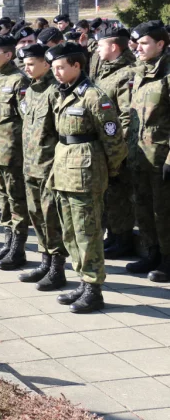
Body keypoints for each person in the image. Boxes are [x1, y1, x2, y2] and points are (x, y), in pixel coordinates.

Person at [46, 42, 126, 312]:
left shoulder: (94, 97)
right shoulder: (63, 94)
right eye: (54, 68)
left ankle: (94, 288)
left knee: (88, 232)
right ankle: (82, 279)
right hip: (64, 170)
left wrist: (110, 171)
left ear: (76, 66)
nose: (56, 72)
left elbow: (114, 139)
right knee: (70, 232)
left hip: (86, 175)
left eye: (60, 67)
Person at [17, 44, 67, 290]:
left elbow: (62, 131)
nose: (26, 68)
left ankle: (58, 267)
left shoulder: (54, 91)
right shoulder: (31, 90)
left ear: (46, 64)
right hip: (31, 163)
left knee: (51, 217)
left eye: (30, 64)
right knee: (36, 215)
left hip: (48, 166)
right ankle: (45, 260)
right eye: (25, 64)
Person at [126, 21, 170, 279]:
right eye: (137, 43)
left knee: (163, 211)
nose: (138, 48)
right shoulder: (142, 71)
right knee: (142, 207)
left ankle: (167, 259)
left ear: (161, 44)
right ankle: (151, 253)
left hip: (161, 157)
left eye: (144, 43)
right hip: (139, 154)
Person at [0, 34, 29, 266]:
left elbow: (26, 120)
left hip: (12, 152)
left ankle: (18, 248)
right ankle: (8, 242)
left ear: (8, 55)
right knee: (2, 199)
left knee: (16, 199)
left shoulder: (20, 81)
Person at [93, 25, 137, 260]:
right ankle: (114, 235)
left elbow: (126, 115)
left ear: (113, 47)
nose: (97, 49)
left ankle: (123, 238)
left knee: (120, 193)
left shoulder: (126, 73)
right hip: (103, 144)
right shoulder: (108, 71)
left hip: (116, 146)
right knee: (109, 194)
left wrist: (118, 149)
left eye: (100, 45)